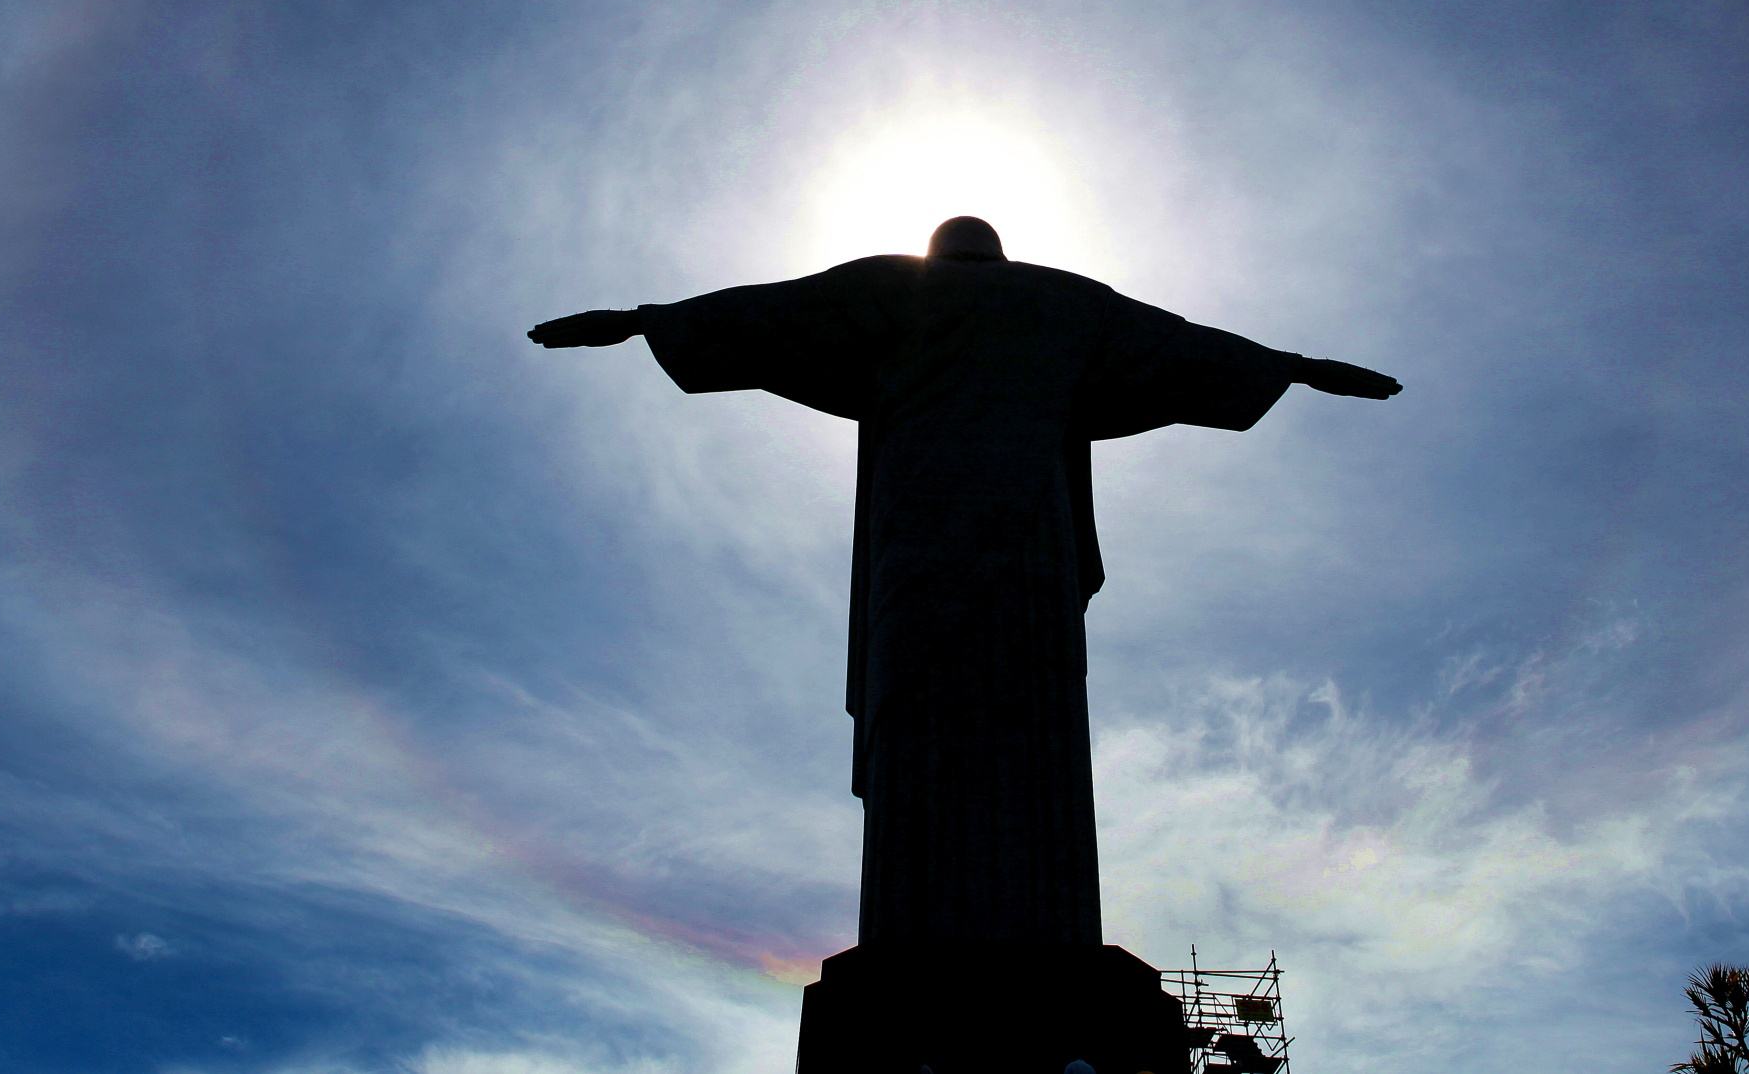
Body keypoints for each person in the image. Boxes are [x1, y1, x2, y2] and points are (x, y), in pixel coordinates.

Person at [529, 216, 1398, 946]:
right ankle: (1040, 935)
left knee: (925, 708)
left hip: (923, 531)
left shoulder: (888, 288)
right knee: (1036, 712)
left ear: (940, 251)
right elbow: (1186, 348)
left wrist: (641, 320)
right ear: (1000, 256)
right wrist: (1300, 368)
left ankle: (924, 928)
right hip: (1030, 538)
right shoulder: (1068, 302)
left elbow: (768, 316)